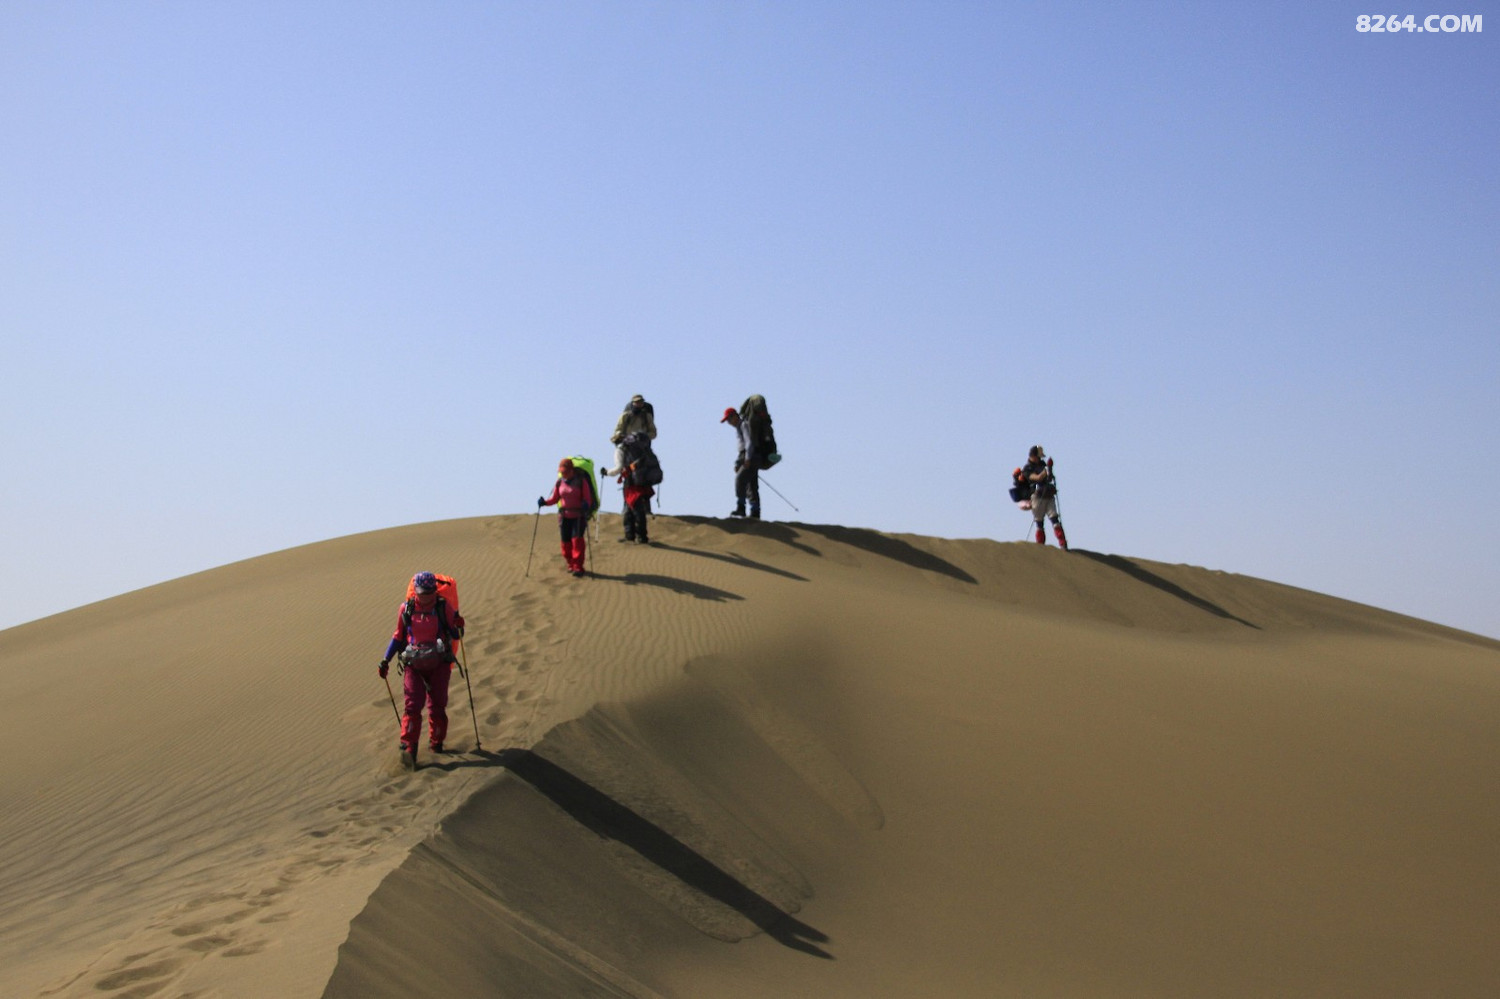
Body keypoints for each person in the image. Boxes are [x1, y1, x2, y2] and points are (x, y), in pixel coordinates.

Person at [379, 571, 465, 770]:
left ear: (435, 591)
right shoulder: (406, 609)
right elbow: (398, 637)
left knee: (437, 705)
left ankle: (436, 744)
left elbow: (455, 634)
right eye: (421, 593)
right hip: (413, 664)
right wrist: (385, 660)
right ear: (415, 591)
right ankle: (409, 749)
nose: (425, 597)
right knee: (412, 705)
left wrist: (459, 625)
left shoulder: (444, 607)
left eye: (428, 592)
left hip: (439, 663)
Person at [539, 458, 595, 576]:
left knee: (577, 541)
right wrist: (544, 502)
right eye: (561, 471)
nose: (563, 473)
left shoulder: (581, 481)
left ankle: (578, 567)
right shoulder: (560, 482)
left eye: (565, 471)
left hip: (578, 517)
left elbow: (588, 499)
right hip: (564, 517)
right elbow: (554, 499)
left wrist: (585, 504)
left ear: (571, 470)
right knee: (565, 544)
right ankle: (570, 564)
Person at [1019, 445, 1068, 549]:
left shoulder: (1042, 464)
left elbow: (1048, 478)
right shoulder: (1027, 468)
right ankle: (1041, 546)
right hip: (1037, 496)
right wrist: (1046, 470)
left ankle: (1063, 543)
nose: (1040, 458)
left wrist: (1049, 471)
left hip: (1048, 495)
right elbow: (1036, 478)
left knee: (1055, 518)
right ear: (1033, 456)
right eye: (1038, 456)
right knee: (1039, 521)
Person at [614, 432, 657, 544]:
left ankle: (640, 537)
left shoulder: (621, 449)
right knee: (632, 509)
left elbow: (618, 468)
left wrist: (607, 472)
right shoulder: (639, 448)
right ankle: (632, 536)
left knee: (636, 510)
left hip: (631, 483)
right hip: (643, 481)